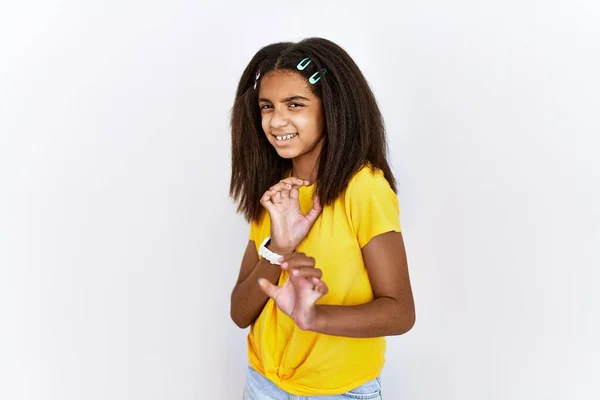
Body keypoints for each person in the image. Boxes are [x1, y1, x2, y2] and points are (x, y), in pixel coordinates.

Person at [229, 37, 416, 399]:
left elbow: (400, 312)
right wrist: (280, 247)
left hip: (336, 391)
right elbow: (240, 313)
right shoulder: (276, 193)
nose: (275, 120)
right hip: (264, 384)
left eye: (294, 104)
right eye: (266, 106)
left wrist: (315, 319)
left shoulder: (364, 188)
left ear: (331, 108)